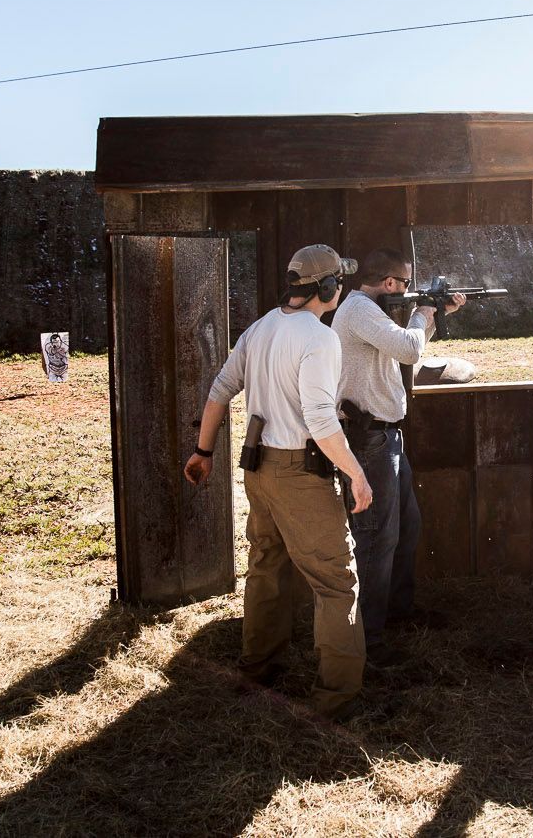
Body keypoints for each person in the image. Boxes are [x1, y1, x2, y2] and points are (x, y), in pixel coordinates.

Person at [183, 243, 373, 721]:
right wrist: (356, 473)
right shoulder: (320, 339)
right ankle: (336, 700)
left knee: (266, 564)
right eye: (338, 280)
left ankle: (257, 667)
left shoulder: (260, 328)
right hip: (299, 473)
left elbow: (219, 392)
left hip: (257, 469)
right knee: (335, 583)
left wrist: (203, 451)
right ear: (327, 288)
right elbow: (321, 421)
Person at [332, 248, 465, 663]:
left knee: (406, 526)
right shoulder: (359, 310)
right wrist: (424, 313)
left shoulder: (371, 311)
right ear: (390, 284)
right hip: (369, 438)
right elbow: (409, 349)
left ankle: (398, 612)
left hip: (386, 436)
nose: (406, 290)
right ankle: (368, 639)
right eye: (405, 284)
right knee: (375, 537)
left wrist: (433, 316)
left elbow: (407, 346)